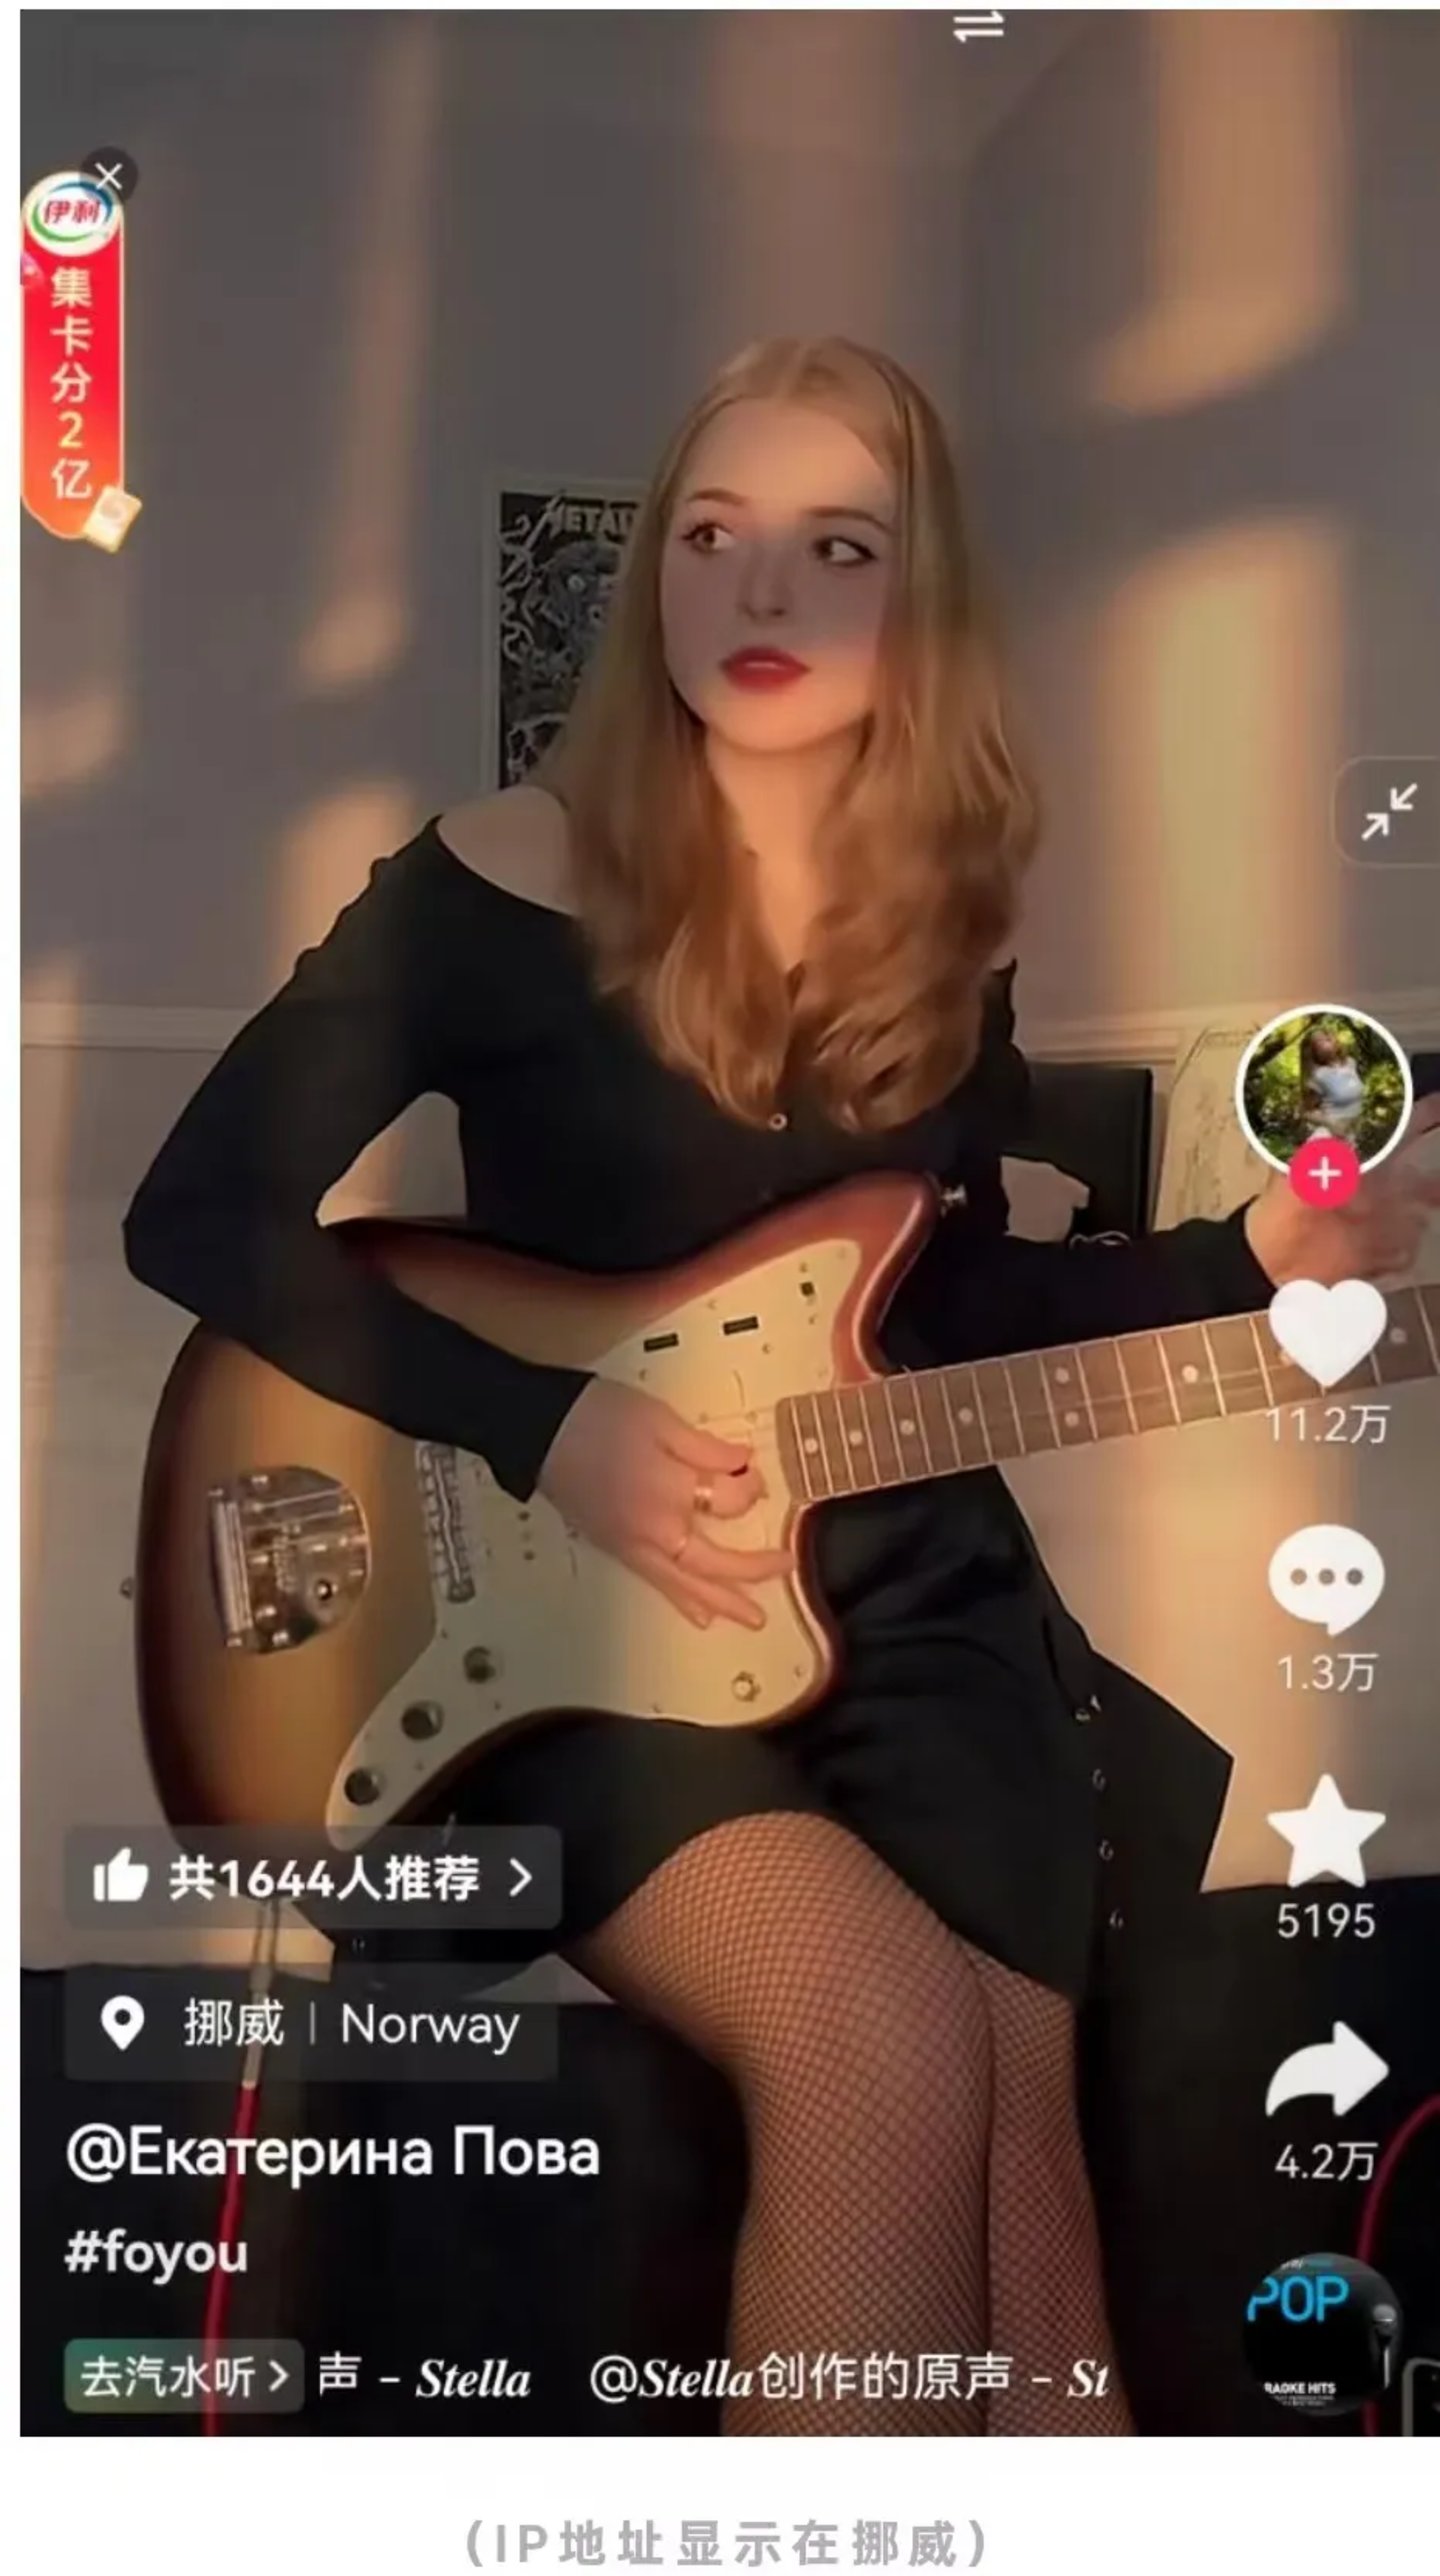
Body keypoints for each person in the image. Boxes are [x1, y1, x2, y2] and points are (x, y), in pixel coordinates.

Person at [123, 336, 1440, 2436]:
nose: (761, 594)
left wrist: (1242, 1268)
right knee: (875, 2039)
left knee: (1030, 2209)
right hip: (582, 1629)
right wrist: (556, 1423)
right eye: (716, 536)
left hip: (920, 1608)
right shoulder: (497, 880)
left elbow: (946, 1290)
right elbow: (197, 1216)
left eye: (840, 548)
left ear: (924, 601)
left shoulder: (946, 911)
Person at [1301, 1024, 1366, 1143]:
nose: (1326, 1039)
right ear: (1314, 1052)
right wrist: (1331, 1123)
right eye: (1319, 1041)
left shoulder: (1350, 1063)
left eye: (1327, 1036)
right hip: (1328, 1135)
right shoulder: (1318, 1076)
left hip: (1349, 1136)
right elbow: (1306, 1111)